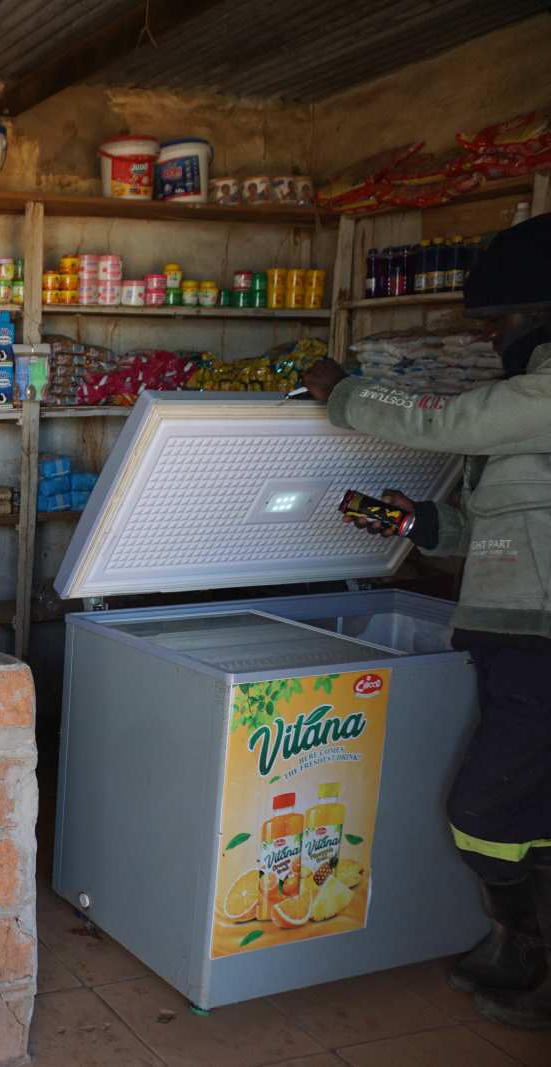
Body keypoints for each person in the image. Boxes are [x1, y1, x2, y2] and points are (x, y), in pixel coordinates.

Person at [303, 213, 551, 1029]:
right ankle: (524, 956)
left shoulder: (541, 391)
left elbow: (445, 421)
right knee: (526, 807)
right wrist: (418, 524)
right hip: (511, 637)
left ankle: (530, 953)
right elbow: (496, 529)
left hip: (541, 642)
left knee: (484, 807)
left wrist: (340, 391)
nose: (493, 337)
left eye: (503, 321)